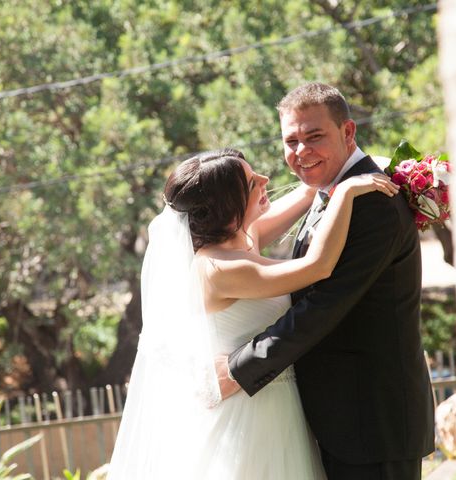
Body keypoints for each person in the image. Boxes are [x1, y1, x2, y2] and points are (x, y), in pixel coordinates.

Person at [107, 146, 399, 479]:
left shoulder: (245, 239)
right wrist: (346, 192)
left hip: (274, 404)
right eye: (251, 183)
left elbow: (309, 190)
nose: (265, 180)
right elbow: (318, 266)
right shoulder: (217, 268)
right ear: (225, 206)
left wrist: (370, 163)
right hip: (247, 416)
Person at [217, 82, 435, 480]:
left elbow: (325, 305)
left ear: (348, 132)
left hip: (372, 422)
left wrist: (240, 369)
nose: (301, 151)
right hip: (342, 421)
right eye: (291, 140)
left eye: (314, 136)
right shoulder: (334, 191)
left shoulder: (372, 202)